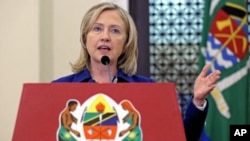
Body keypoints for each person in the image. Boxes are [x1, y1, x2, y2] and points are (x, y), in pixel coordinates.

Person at [53, 2, 221, 141]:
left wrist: (197, 101)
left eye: (115, 30)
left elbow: (180, 138)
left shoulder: (148, 90)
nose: (105, 37)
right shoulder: (60, 89)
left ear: (126, 43)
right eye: (97, 29)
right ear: (85, 37)